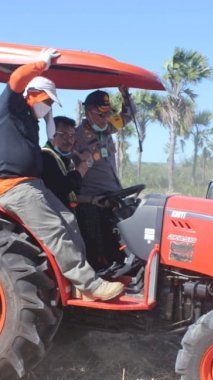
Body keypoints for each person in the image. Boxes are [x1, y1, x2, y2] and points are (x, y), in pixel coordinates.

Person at [0, 48, 124, 302]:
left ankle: (81, 283)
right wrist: (40, 65)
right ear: (33, 94)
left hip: (32, 185)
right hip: (13, 187)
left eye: (50, 103)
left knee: (69, 220)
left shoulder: (30, 119)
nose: (47, 107)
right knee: (54, 230)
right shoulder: (10, 108)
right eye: (47, 101)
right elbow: (16, 81)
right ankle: (90, 284)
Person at [74, 88, 134, 270]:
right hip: (92, 203)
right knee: (98, 253)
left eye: (108, 114)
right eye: (101, 115)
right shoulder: (76, 137)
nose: (106, 119)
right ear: (88, 113)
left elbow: (127, 116)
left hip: (114, 197)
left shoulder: (107, 129)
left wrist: (125, 95)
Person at [41, 116, 91, 210]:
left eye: (72, 135)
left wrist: (92, 199)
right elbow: (61, 189)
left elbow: (71, 197)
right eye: (63, 134)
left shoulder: (67, 160)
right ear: (51, 134)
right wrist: (82, 169)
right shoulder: (45, 156)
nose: (69, 140)